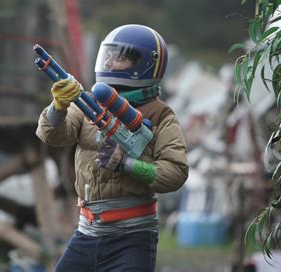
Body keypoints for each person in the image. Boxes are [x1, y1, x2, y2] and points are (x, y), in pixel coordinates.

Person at [36, 24, 188, 272]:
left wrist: (128, 165)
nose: (109, 60)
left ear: (143, 65)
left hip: (133, 237)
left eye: (120, 56)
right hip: (86, 232)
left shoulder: (161, 115)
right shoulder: (88, 103)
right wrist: (58, 107)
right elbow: (52, 135)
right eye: (108, 53)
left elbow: (175, 173)